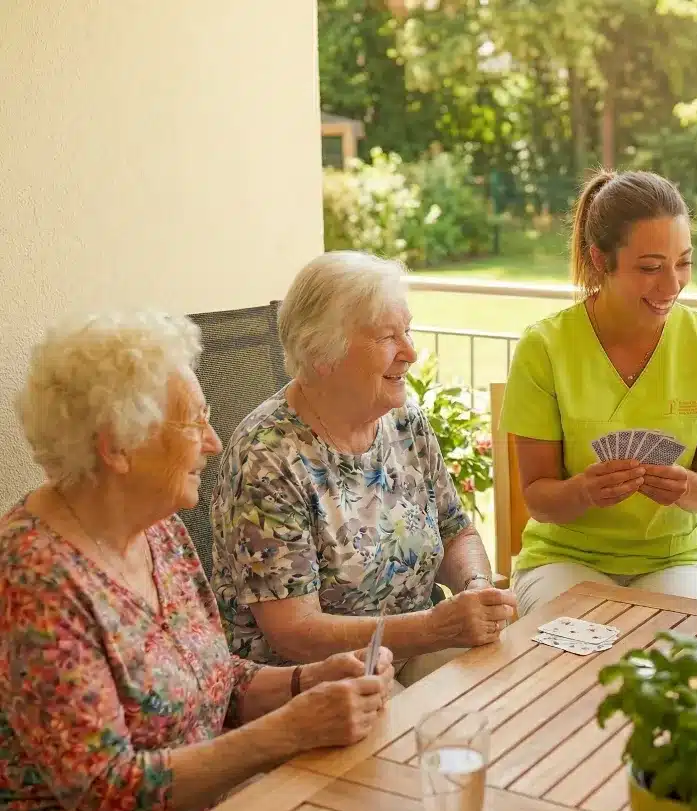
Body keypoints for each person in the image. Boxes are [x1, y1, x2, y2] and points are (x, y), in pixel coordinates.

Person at [0, 312, 394, 811]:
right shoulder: (35, 580)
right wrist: (287, 732)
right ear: (117, 448)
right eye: (194, 423)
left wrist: (308, 681)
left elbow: (214, 679)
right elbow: (108, 794)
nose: (212, 443)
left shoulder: (159, 529)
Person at [210, 251, 516, 686]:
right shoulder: (267, 459)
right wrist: (431, 628)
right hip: (320, 677)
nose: (410, 352)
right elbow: (295, 633)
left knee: (506, 685)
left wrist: (476, 587)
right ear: (322, 355)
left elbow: (455, 530)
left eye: (407, 330)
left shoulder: (404, 422)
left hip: (414, 646)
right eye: (388, 337)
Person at [500, 170, 697, 615]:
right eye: (650, 267)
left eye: (684, 262)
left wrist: (685, 486)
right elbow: (538, 498)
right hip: (565, 558)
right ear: (600, 260)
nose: (672, 285)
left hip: (680, 559)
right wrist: (582, 491)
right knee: (571, 657)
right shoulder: (544, 347)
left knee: (675, 662)